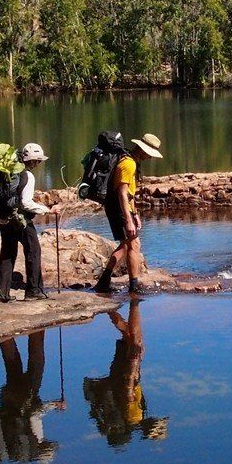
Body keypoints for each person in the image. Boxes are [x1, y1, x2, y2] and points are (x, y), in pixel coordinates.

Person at [83, 298, 169, 445]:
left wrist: (134, 363)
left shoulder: (136, 417)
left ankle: (130, 304)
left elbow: (129, 395)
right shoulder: (135, 420)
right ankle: (109, 309)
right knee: (128, 334)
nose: (156, 418)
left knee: (134, 338)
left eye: (156, 423)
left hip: (125, 371)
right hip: (119, 374)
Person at [94, 134, 163, 294]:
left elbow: (128, 194)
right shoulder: (128, 164)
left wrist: (135, 213)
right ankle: (134, 287)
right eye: (149, 154)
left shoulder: (130, 161)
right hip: (119, 207)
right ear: (142, 150)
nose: (150, 158)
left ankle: (103, 281)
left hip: (121, 206)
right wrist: (128, 220)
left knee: (126, 245)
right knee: (134, 244)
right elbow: (122, 193)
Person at [0, 331, 65, 464]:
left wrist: (54, 404)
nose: (48, 442)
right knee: (12, 365)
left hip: (26, 397)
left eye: (48, 445)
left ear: (44, 448)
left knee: (37, 360)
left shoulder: (36, 439)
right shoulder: (24, 445)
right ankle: (4, 334)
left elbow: (34, 414)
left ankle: (37, 329)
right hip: (8, 401)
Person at [0, 143, 59, 303]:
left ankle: (1, 295)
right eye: (38, 161)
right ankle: (33, 291)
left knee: (8, 252)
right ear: (33, 161)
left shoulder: (6, 170)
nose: (38, 164)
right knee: (33, 250)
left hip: (2, 216)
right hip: (19, 219)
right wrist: (47, 210)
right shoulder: (27, 176)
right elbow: (26, 203)